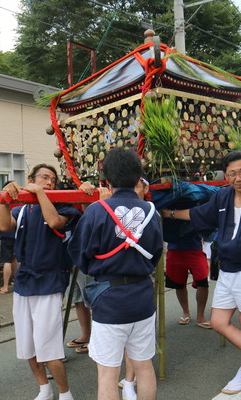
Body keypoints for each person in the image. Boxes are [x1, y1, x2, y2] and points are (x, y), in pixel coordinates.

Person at [161, 150, 241, 394]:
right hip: (228, 269)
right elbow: (200, 215)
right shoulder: (222, 196)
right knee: (220, 322)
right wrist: (170, 214)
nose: (238, 177)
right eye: (232, 173)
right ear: (226, 176)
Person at [68, 148, 163, 400]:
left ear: (107, 179)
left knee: (107, 374)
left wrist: (99, 270)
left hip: (109, 299)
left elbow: (79, 254)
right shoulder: (152, 212)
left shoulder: (96, 211)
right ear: (138, 178)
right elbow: (155, 253)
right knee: (144, 367)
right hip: (142, 297)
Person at [0, 164, 80, 400]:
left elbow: (55, 222)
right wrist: (5, 199)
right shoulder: (22, 209)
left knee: (49, 347)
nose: (49, 182)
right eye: (44, 178)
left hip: (50, 280)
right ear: (31, 179)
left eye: (53, 180)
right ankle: (44, 388)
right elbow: (4, 226)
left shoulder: (63, 205)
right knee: (27, 344)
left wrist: (40, 193)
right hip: (24, 280)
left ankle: (65, 393)